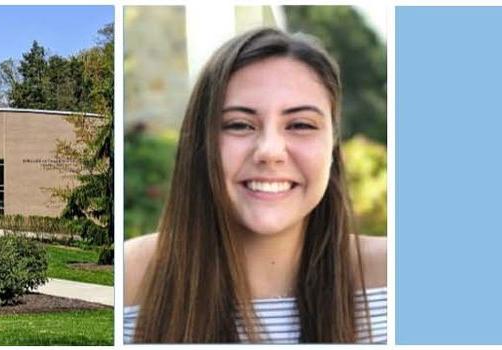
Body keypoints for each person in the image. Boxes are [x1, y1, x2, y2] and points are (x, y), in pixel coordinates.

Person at [124, 28, 387, 343]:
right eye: (239, 125)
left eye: (301, 124)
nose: (270, 151)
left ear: (333, 145)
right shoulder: (129, 280)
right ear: (201, 143)